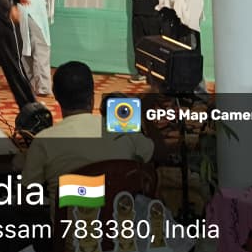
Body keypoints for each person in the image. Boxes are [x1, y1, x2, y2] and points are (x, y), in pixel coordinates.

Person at [20, 61, 155, 197]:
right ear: (92, 95)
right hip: (121, 210)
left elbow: (27, 200)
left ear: (56, 95)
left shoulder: (43, 141)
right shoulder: (123, 129)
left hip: (69, 211)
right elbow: (157, 157)